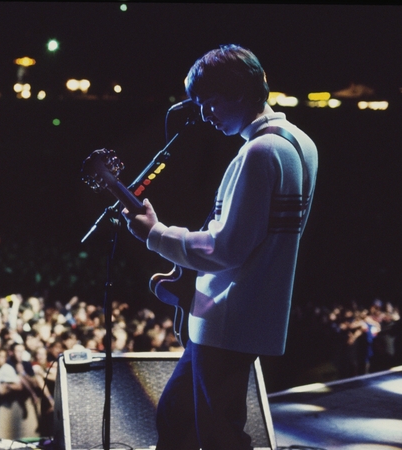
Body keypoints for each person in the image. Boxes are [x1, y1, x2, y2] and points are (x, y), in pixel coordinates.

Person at [123, 44, 318, 449]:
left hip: (229, 319)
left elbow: (225, 249)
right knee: (178, 415)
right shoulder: (301, 143)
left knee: (218, 434)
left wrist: (155, 233)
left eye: (209, 102)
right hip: (243, 315)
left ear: (239, 93)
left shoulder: (261, 152)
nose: (206, 115)